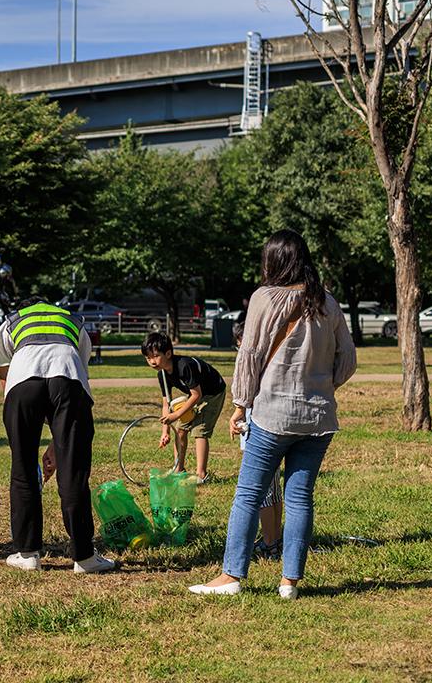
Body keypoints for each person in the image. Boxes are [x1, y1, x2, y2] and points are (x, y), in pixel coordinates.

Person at [190, 230, 356, 599]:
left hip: (273, 415)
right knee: (300, 498)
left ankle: (231, 575)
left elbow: (248, 355)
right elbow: (348, 358)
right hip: (318, 419)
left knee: (248, 494)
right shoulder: (328, 302)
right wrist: (323, 387)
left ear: (274, 262)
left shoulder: (264, 298)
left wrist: (239, 405)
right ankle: (289, 582)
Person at [0, 297, 117, 574]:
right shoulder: (72, 320)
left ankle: (28, 554)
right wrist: (59, 444)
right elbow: (76, 371)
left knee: (22, 468)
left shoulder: (12, 320)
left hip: (21, 384)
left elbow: (3, 373)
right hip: (68, 380)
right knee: (74, 472)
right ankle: (84, 557)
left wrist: (21, 423)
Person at [140, 332, 228, 483]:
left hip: (213, 392)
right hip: (196, 394)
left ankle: (202, 475)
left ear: (168, 353)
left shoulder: (184, 366)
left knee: (199, 430)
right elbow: (166, 403)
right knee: (181, 429)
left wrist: (176, 415)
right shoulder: (162, 374)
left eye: (155, 356)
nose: (152, 361)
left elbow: (196, 395)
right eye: (148, 358)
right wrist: (165, 432)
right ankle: (178, 468)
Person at [233, 319, 283, 560]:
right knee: (273, 491)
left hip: (260, 433)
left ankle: (270, 542)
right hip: (263, 428)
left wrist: (240, 416)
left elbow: (246, 398)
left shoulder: (254, 363)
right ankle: (274, 539)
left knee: (263, 493)